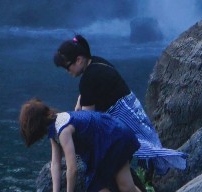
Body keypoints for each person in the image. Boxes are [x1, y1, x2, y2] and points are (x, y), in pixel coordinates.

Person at [19, 98, 157, 192]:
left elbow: (72, 167)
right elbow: (55, 163)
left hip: (111, 139)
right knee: (127, 187)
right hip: (117, 132)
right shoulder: (56, 125)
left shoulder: (62, 130)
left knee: (95, 185)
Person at [53, 35, 185, 172]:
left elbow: (88, 120)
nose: (67, 72)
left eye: (67, 67)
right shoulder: (98, 62)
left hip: (123, 120)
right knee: (148, 150)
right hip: (134, 112)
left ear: (79, 60)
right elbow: (87, 95)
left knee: (140, 151)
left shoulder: (88, 79)